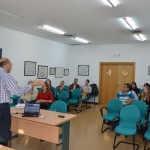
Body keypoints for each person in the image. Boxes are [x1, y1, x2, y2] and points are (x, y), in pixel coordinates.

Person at [0, 58, 43, 146]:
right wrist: (32, 84)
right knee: (3, 134)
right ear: (6, 64)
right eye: (11, 64)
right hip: (2, 108)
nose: (11, 67)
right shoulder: (5, 75)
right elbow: (18, 91)